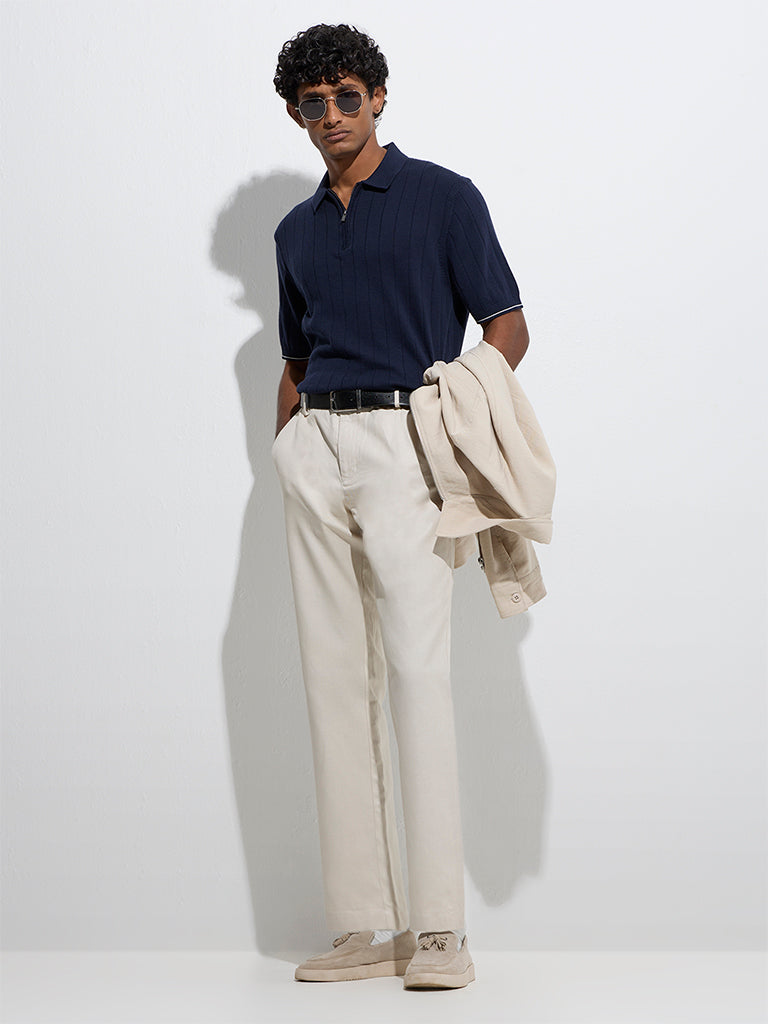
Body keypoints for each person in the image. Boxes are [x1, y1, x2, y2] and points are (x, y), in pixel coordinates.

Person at [270, 23, 529, 990]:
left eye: (347, 96)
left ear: (377, 97)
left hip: (406, 439)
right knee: (333, 679)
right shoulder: (295, 231)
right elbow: (296, 353)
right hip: (316, 448)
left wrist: (452, 407)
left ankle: (438, 930)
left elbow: (507, 324)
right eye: (313, 103)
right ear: (295, 114)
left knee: (418, 673)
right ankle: (362, 926)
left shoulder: (443, 197)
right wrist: (286, 445)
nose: (332, 115)